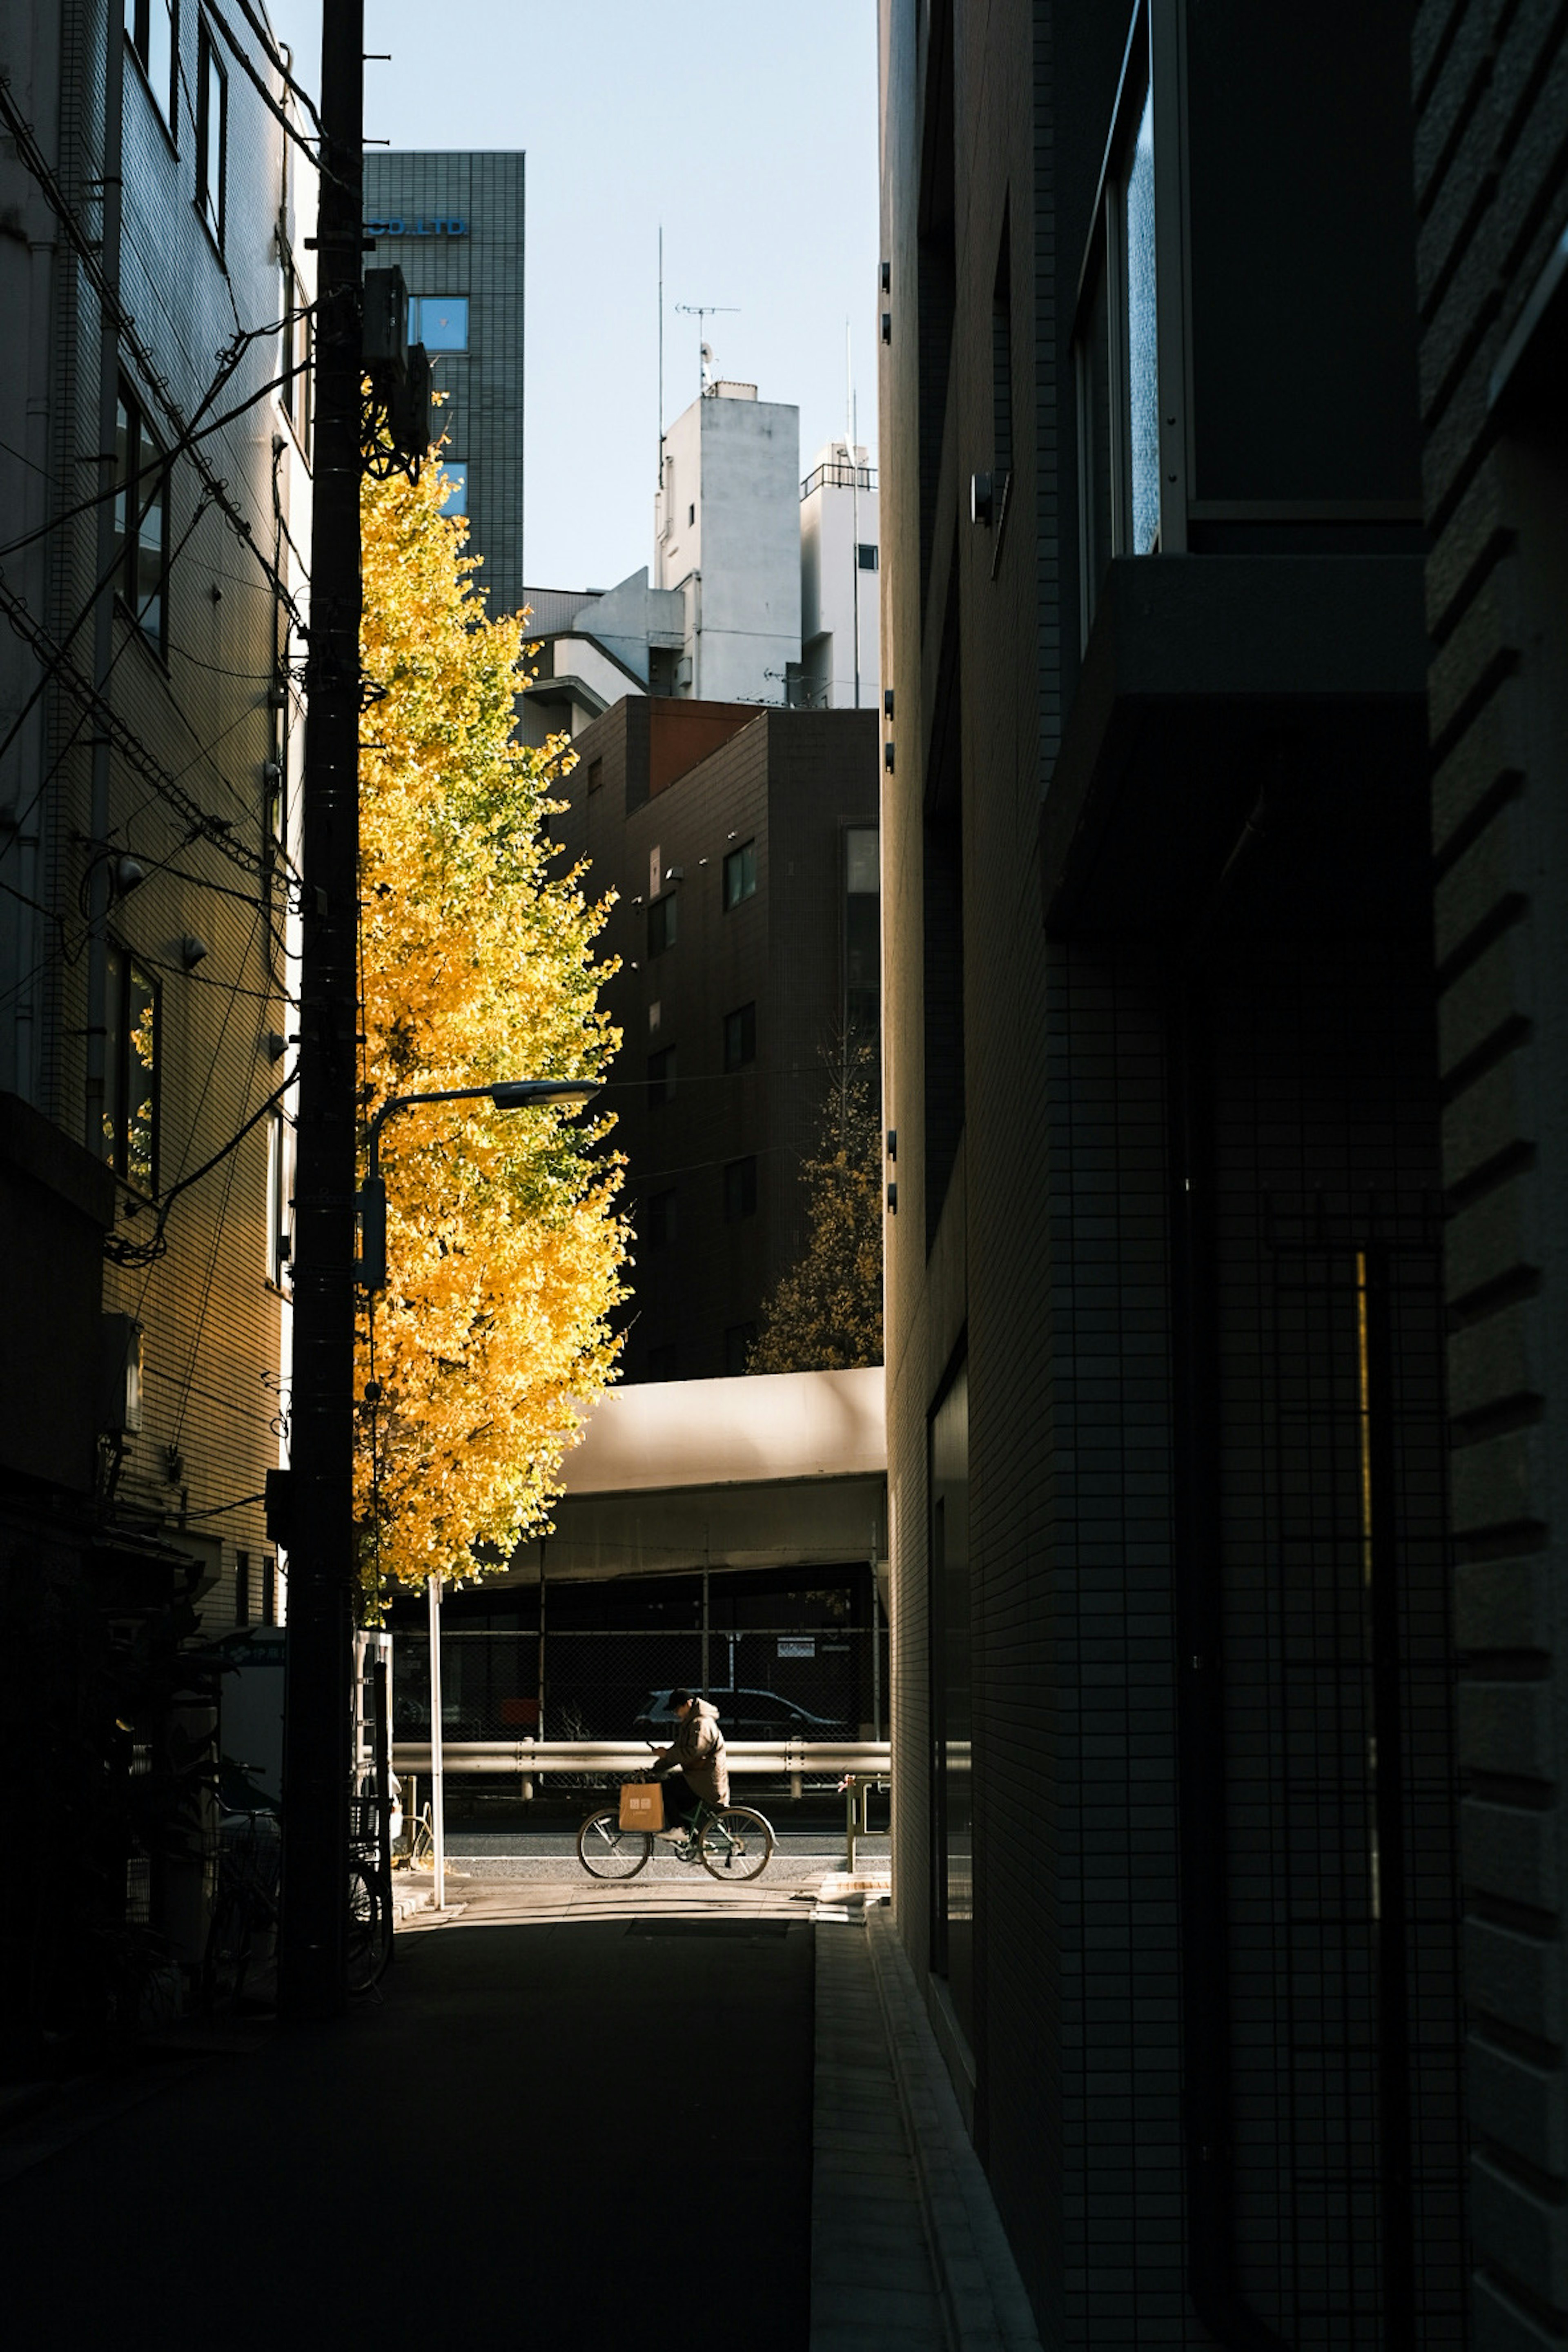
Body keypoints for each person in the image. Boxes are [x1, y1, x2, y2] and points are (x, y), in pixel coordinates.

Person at [648, 1688, 729, 1842]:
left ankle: (679, 1830)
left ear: (688, 1704)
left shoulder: (702, 1723)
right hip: (698, 1777)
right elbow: (678, 1751)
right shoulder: (691, 1723)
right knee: (675, 1806)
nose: (676, 1714)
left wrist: (666, 1755)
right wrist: (657, 1768)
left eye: (677, 1709)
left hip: (705, 1781)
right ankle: (697, 1844)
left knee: (666, 1789)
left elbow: (693, 1752)